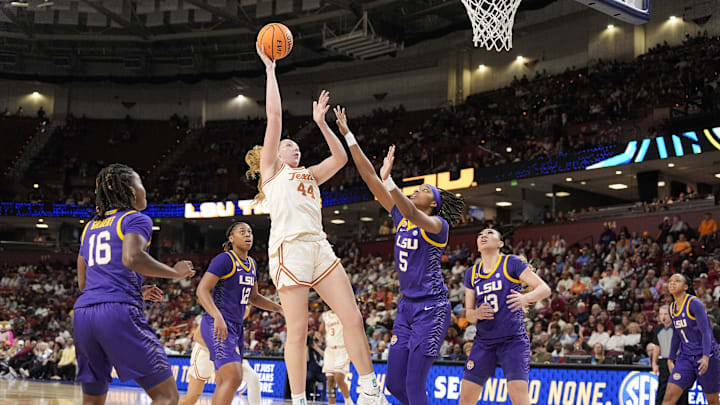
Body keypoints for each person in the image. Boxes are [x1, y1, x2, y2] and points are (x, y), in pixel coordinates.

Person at [244, 45, 386, 405]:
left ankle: (369, 390)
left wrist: (323, 124)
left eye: (294, 145)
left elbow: (340, 158)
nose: (292, 148)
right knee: (298, 330)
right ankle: (298, 399)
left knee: (352, 316)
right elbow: (274, 117)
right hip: (289, 248)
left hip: (319, 246)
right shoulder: (272, 172)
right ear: (275, 153)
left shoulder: (309, 174)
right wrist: (271, 71)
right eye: (287, 145)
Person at [333, 107, 464, 405]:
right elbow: (369, 179)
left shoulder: (437, 226)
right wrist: (349, 135)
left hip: (433, 311)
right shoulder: (400, 216)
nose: (420, 189)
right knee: (393, 385)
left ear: (434, 203)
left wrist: (390, 181)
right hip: (406, 308)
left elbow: (408, 209)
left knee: (415, 384)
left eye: (426, 189)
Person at [73, 163, 195, 405]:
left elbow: (84, 282)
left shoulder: (90, 227)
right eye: (141, 183)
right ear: (130, 190)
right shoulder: (135, 219)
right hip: (117, 313)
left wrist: (135, 290)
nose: (144, 190)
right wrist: (174, 273)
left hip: (83, 315)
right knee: (167, 396)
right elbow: (132, 257)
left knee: (92, 401)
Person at [194, 222, 283, 405]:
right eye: (242, 232)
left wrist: (279, 308)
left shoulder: (252, 264)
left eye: (250, 232)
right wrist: (217, 316)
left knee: (224, 381)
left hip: (235, 328)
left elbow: (254, 297)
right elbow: (202, 290)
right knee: (234, 377)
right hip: (216, 323)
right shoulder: (224, 259)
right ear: (231, 238)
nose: (248, 235)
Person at [460, 230, 551, 405]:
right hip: (484, 342)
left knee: (519, 397)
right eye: (480, 234)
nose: (483, 235)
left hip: (512, 340)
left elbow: (544, 289)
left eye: (489, 232)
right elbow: (469, 315)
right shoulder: (471, 273)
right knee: (465, 398)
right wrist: (476, 313)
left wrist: (525, 298)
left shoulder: (511, 263)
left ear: (500, 244)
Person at [662, 274, 720, 405]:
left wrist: (706, 356)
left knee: (713, 401)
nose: (672, 283)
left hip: (706, 355)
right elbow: (677, 335)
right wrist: (670, 358)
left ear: (685, 287)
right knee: (668, 399)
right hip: (685, 357)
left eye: (677, 281)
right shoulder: (671, 308)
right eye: (670, 281)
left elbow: (706, 331)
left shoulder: (694, 303)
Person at [653, 305, 689, 405]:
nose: (663, 317)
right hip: (664, 362)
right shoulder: (658, 329)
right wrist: (654, 363)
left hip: (678, 361)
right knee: (662, 389)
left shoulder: (678, 327)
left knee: (680, 389)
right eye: (661, 314)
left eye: (665, 314)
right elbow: (656, 347)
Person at [320, 308, 355, 405]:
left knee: (338, 378)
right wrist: (319, 334)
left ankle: (348, 401)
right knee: (330, 380)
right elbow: (322, 330)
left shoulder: (343, 312)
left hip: (342, 349)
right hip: (329, 350)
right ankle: (332, 404)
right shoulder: (325, 315)